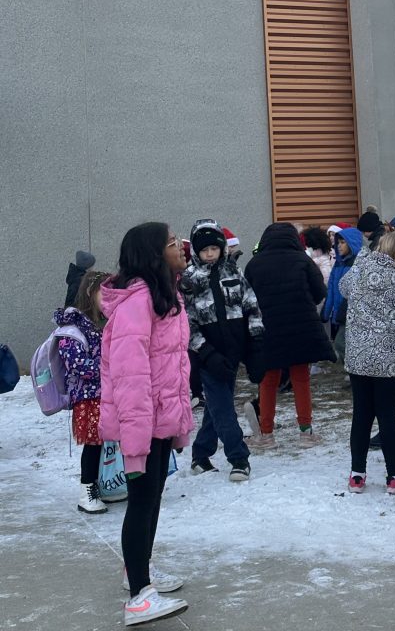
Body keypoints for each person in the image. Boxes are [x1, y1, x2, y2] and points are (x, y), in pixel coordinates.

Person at [99, 223, 193, 627]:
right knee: (141, 502)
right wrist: (136, 440)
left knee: (152, 498)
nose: (182, 248)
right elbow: (130, 377)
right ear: (155, 255)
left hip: (160, 419)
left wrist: (177, 420)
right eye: (173, 244)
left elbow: (174, 365)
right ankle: (139, 596)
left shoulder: (165, 296)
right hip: (143, 422)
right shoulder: (137, 303)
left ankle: (138, 572)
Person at [341, 230, 395, 494]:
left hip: (358, 359)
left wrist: (360, 261)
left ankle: (357, 474)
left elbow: (342, 288)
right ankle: (394, 476)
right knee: (388, 416)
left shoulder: (357, 273)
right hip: (387, 362)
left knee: (361, 414)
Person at [182, 220, 264, 481]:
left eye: (214, 249)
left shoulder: (234, 273)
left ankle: (200, 454)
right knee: (224, 408)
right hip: (208, 354)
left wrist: (256, 344)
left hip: (234, 349)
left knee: (217, 406)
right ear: (196, 251)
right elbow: (186, 323)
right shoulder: (189, 280)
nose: (209, 254)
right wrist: (205, 352)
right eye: (204, 250)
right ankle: (239, 457)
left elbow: (251, 305)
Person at [244, 223, 336, 448]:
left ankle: (266, 435)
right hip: (300, 328)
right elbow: (320, 292)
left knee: (268, 381)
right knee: (301, 379)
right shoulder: (302, 261)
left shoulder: (254, 264)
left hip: (268, 330)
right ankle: (306, 433)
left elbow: (246, 298)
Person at [57, 270, 111, 514]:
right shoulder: (73, 326)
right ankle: (86, 490)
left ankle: (102, 485)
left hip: (107, 393)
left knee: (103, 443)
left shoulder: (102, 322)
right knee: (93, 443)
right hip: (88, 397)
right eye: (105, 292)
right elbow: (77, 364)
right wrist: (110, 369)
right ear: (91, 293)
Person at [321, 227, 364, 360]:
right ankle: (355, 373)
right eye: (337, 242)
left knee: (341, 344)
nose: (338, 245)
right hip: (340, 313)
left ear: (352, 242)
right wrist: (326, 312)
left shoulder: (360, 264)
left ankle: (357, 373)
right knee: (343, 345)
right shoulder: (339, 264)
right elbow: (331, 290)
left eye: (342, 242)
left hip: (355, 314)